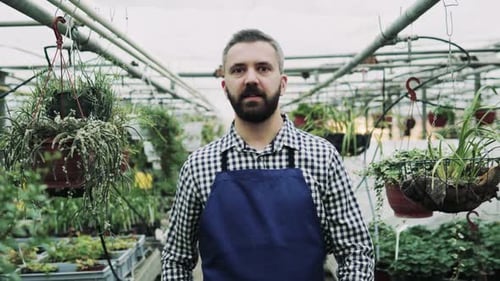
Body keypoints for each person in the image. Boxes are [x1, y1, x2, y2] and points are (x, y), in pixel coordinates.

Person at [161, 28, 374, 281]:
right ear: (224, 85)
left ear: (282, 83)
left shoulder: (322, 157)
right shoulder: (199, 166)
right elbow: (176, 259)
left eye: (263, 68)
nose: (251, 79)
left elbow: (355, 250)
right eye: (238, 70)